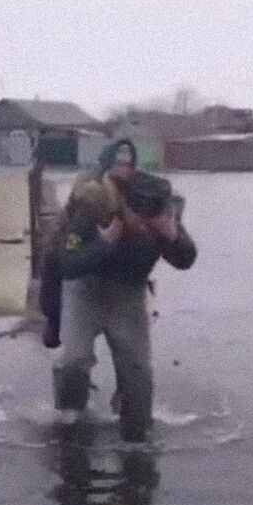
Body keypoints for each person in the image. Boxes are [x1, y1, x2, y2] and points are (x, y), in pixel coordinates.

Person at [53, 162, 196, 443]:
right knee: (74, 359)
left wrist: (173, 238)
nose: (143, 225)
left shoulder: (165, 216)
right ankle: (70, 417)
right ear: (125, 205)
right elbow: (66, 264)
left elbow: (186, 259)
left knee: (137, 368)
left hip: (128, 295)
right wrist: (104, 243)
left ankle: (136, 426)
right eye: (137, 217)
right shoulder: (96, 208)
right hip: (85, 289)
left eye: (149, 220)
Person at [39, 139, 138, 348]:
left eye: (129, 163)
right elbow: (68, 254)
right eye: (119, 162)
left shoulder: (136, 190)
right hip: (69, 254)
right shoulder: (93, 195)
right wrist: (103, 242)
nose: (125, 167)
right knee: (60, 332)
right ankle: (56, 325)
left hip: (105, 265)